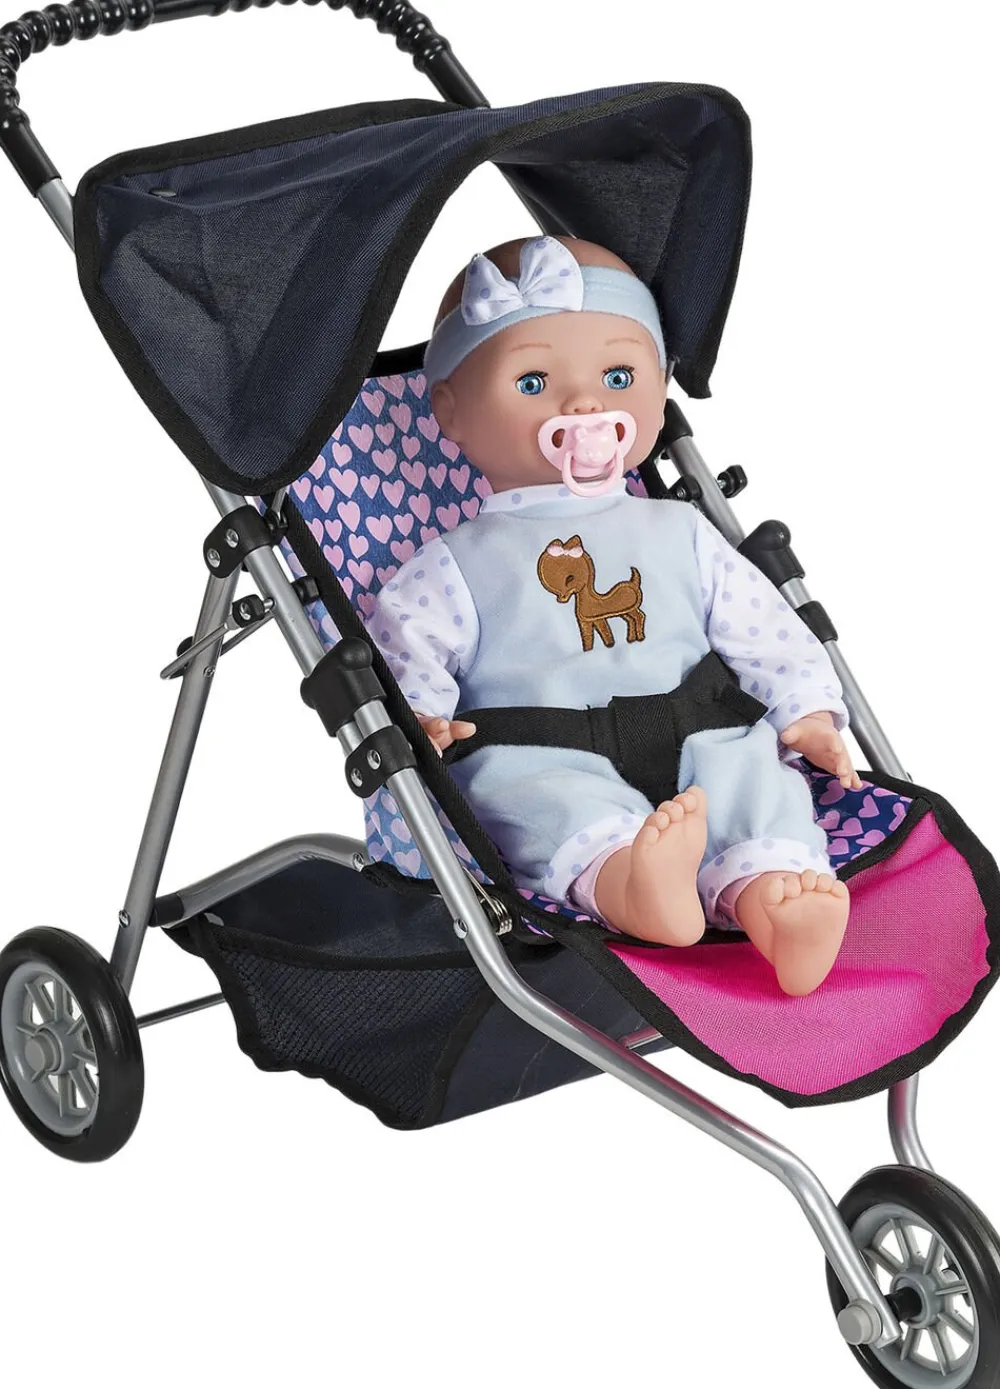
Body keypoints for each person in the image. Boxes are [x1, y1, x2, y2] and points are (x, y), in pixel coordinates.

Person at [366, 234, 859, 995]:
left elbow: (763, 627)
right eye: (534, 381)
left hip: (703, 730)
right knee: (542, 804)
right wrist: (420, 717)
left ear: (659, 395)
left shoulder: (681, 527)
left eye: (619, 376)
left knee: (757, 781)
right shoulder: (455, 563)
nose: (584, 404)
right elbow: (406, 646)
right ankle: (631, 882)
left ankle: (774, 897)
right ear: (452, 413)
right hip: (545, 746)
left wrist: (806, 710)